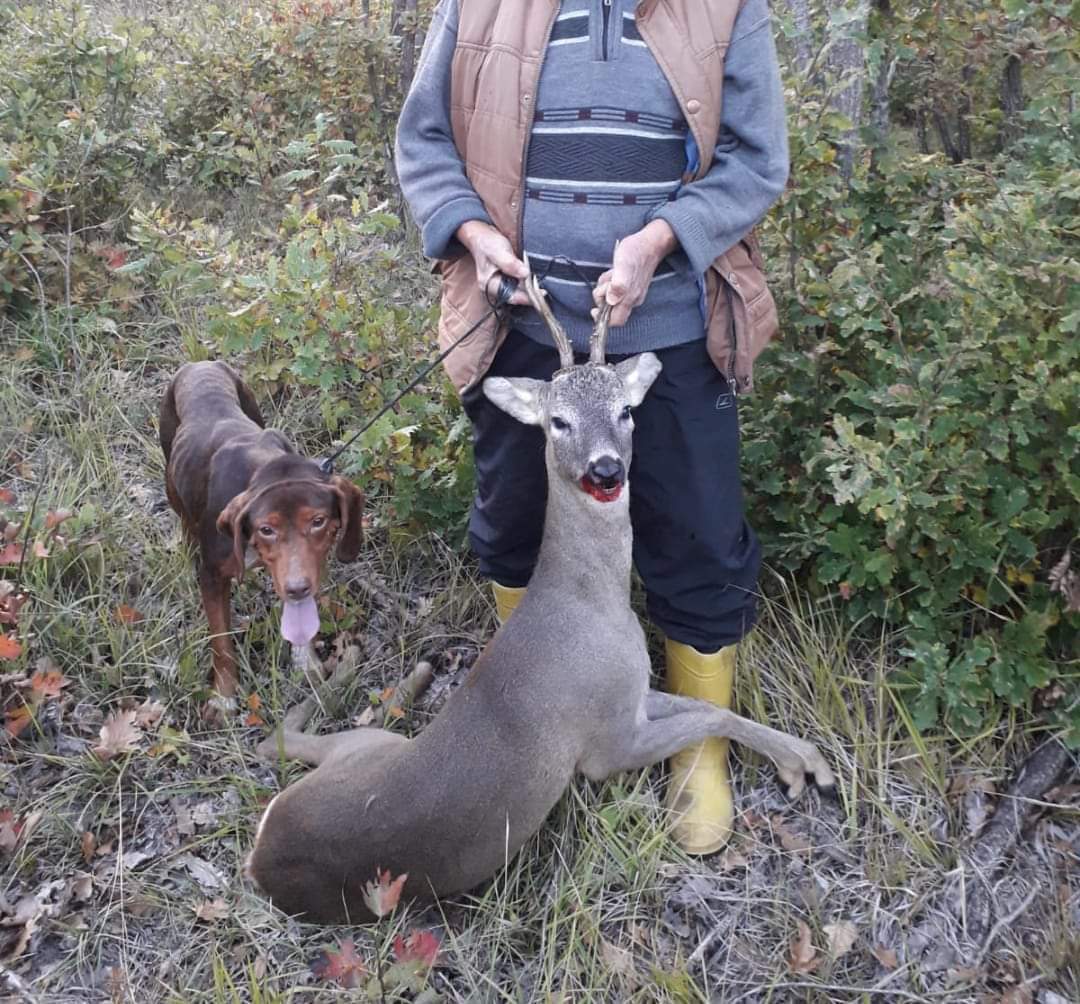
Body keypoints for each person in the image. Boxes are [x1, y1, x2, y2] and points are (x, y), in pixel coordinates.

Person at [395, 0, 788, 854]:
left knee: (700, 546)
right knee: (510, 534)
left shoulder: (726, 7)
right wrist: (472, 233)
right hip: (522, 338)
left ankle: (697, 750)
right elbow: (424, 141)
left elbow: (757, 162)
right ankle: (538, 717)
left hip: (675, 339)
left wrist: (656, 241)